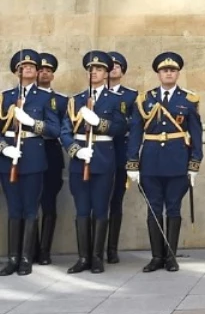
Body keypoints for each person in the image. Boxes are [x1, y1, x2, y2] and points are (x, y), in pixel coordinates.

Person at [126, 52, 203, 273]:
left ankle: (171, 256)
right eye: (164, 70)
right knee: (153, 209)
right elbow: (135, 133)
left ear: (178, 73)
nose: (168, 73)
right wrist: (132, 162)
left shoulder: (189, 99)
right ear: (158, 74)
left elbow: (196, 134)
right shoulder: (144, 99)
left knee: (173, 208)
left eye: (172, 70)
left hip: (178, 161)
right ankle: (156, 256)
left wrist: (194, 163)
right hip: (150, 161)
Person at [62, 52, 129, 274]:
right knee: (82, 209)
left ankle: (97, 257)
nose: (94, 72)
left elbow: (120, 128)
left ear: (106, 73)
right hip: (81, 158)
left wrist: (99, 123)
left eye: (99, 69)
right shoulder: (76, 100)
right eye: (91, 69)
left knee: (100, 208)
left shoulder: (115, 100)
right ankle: (83, 258)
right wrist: (76, 151)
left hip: (103, 157)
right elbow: (65, 131)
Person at [2, 49, 61, 275]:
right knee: (14, 209)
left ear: (37, 71)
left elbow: (54, 129)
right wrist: (4, 148)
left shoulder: (46, 98)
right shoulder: (5, 97)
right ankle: (13, 258)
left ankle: (26, 259)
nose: (26, 69)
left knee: (30, 209)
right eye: (22, 66)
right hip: (9, 159)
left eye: (31, 66)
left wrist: (31, 122)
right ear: (16, 71)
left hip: (34, 158)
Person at [33, 52, 67, 265]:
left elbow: (64, 128)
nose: (44, 73)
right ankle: (30, 248)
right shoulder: (24, 97)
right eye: (41, 69)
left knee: (48, 202)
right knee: (29, 202)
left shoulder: (62, 100)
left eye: (48, 70)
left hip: (51, 151)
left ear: (53, 75)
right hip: (29, 151)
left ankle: (44, 250)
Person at [106, 52, 138, 263]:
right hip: (98, 153)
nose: (114, 68)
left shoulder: (131, 96)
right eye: (110, 66)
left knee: (116, 201)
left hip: (119, 153)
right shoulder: (92, 95)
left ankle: (112, 248)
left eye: (118, 65)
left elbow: (134, 125)